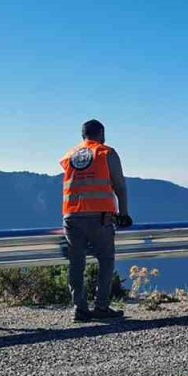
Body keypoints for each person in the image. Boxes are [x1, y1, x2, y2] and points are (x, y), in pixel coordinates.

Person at [60, 119, 132, 322]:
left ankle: (80, 309)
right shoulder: (106, 152)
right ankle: (101, 306)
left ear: (83, 135)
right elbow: (119, 185)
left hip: (72, 216)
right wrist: (124, 213)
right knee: (106, 260)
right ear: (101, 133)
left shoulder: (70, 155)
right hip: (99, 217)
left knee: (76, 263)